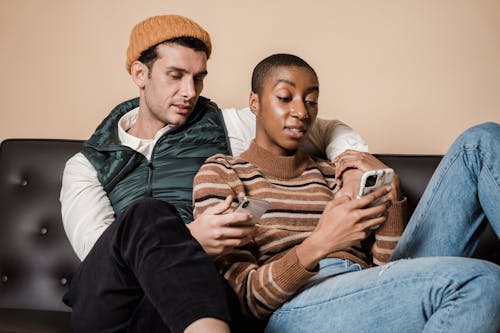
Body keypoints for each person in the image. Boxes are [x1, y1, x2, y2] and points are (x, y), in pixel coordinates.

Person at [60, 15, 368, 333]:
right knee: (146, 213)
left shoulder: (225, 125)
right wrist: (192, 239)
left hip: (197, 304)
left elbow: (328, 129)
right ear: (140, 73)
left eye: (198, 78)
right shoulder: (87, 165)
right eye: (176, 76)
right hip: (118, 311)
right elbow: (100, 257)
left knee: (222, 282)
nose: (189, 92)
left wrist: (354, 166)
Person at [192, 53, 500, 332]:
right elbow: (247, 300)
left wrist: (391, 197)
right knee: (483, 281)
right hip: (296, 305)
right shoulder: (223, 172)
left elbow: (386, 269)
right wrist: (321, 242)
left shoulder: (333, 173)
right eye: (285, 97)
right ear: (255, 102)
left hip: (366, 287)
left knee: (482, 141)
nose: (301, 111)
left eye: (311, 101)